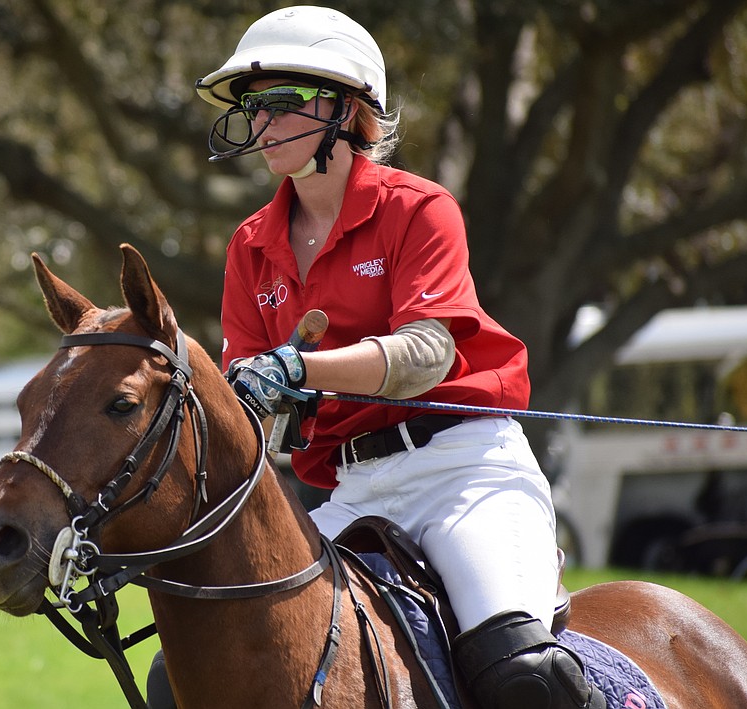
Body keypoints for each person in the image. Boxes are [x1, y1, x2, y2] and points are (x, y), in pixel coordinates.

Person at [148, 6, 605, 708]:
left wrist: (301, 369)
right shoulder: (249, 244)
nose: (260, 123)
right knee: (177, 678)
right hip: (349, 488)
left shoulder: (419, 210)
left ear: (343, 107)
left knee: (522, 673)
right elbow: (248, 401)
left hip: (462, 470)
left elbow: (427, 352)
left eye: (282, 102)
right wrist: (262, 405)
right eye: (252, 105)